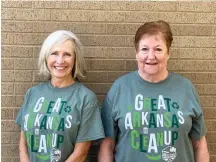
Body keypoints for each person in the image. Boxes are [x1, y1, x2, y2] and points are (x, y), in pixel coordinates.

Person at [98, 20, 209, 162]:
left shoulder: (185, 88)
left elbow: (200, 144)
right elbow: (107, 145)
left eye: (158, 49)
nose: (151, 56)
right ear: (136, 53)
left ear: (168, 53)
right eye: (144, 49)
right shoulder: (120, 88)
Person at [15, 30, 104, 162]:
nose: (60, 60)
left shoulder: (86, 98)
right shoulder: (32, 93)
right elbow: (23, 141)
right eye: (54, 53)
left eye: (67, 54)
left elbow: (81, 153)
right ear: (46, 57)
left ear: (75, 59)